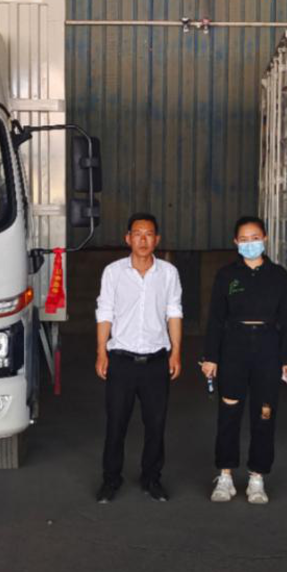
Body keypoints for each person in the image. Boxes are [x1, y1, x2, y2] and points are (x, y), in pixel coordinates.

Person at [200, 216, 287, 505]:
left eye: (255, 238)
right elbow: (215, 319)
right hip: (234, 347)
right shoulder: (227, 275)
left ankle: (257, 477)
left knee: (264, 413)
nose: (250, 243)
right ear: (236, 243)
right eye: (244, 239)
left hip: (267, 347)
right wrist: (210, 357)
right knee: (229, 413)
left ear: (264, 238)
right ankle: (225, 476)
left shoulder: (278, 275)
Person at [94, 213, 183, 503]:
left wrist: (176, 352)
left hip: (156, 361)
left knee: (156, 425)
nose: (143, 240)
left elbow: (174, 312)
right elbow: (105, 312)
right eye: (137, 234)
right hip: (121, 360)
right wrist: (101, 352)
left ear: (157, 239)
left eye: (149, 234)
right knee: (116, 424)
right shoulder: (113, 273)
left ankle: (152, 479)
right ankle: (111, 480)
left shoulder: (168, 273)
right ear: (128, 238)